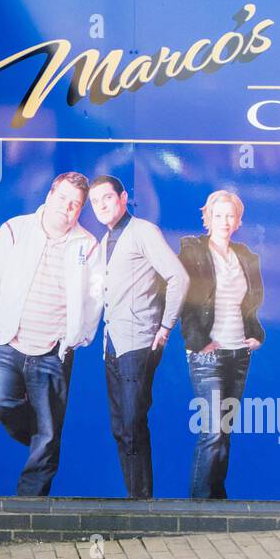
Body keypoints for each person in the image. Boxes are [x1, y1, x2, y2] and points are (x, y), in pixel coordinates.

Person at [0, 172, 101, 496]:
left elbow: (94, 296)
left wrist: (78, 337)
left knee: (49, 435)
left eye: (75, 204)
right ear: (49, 195)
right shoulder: (14, 230)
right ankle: (39, 434)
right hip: (9, 341)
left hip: (52, 350)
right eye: (62, 199)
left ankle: (30, 504)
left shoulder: (87, 244)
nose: (67, 208)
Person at [88, 175, 189, 498]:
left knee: (132, 425)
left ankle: (142, 504)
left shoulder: (142, 231)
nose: (101, 206)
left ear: (123, 198)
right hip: (112, 346)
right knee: (121, 428)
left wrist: (164, 327)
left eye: (107, 198)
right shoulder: (104, 242)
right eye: (95, 202)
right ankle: (136, 499)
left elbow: (179, 277)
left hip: (137, 344)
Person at [177, 190, 265, 499]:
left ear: (238, 221)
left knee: (224, 433)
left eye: (231, 216)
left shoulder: (245, 256)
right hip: (207, 356)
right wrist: (199, 342)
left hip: (238, 353)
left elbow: (250, 303)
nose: (224, 222)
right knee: (211, 431)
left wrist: (256, 334)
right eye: (218, 215)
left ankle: (217, 502)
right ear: (207, 218)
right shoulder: (193, 253)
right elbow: (184, 300)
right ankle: (198, 507)